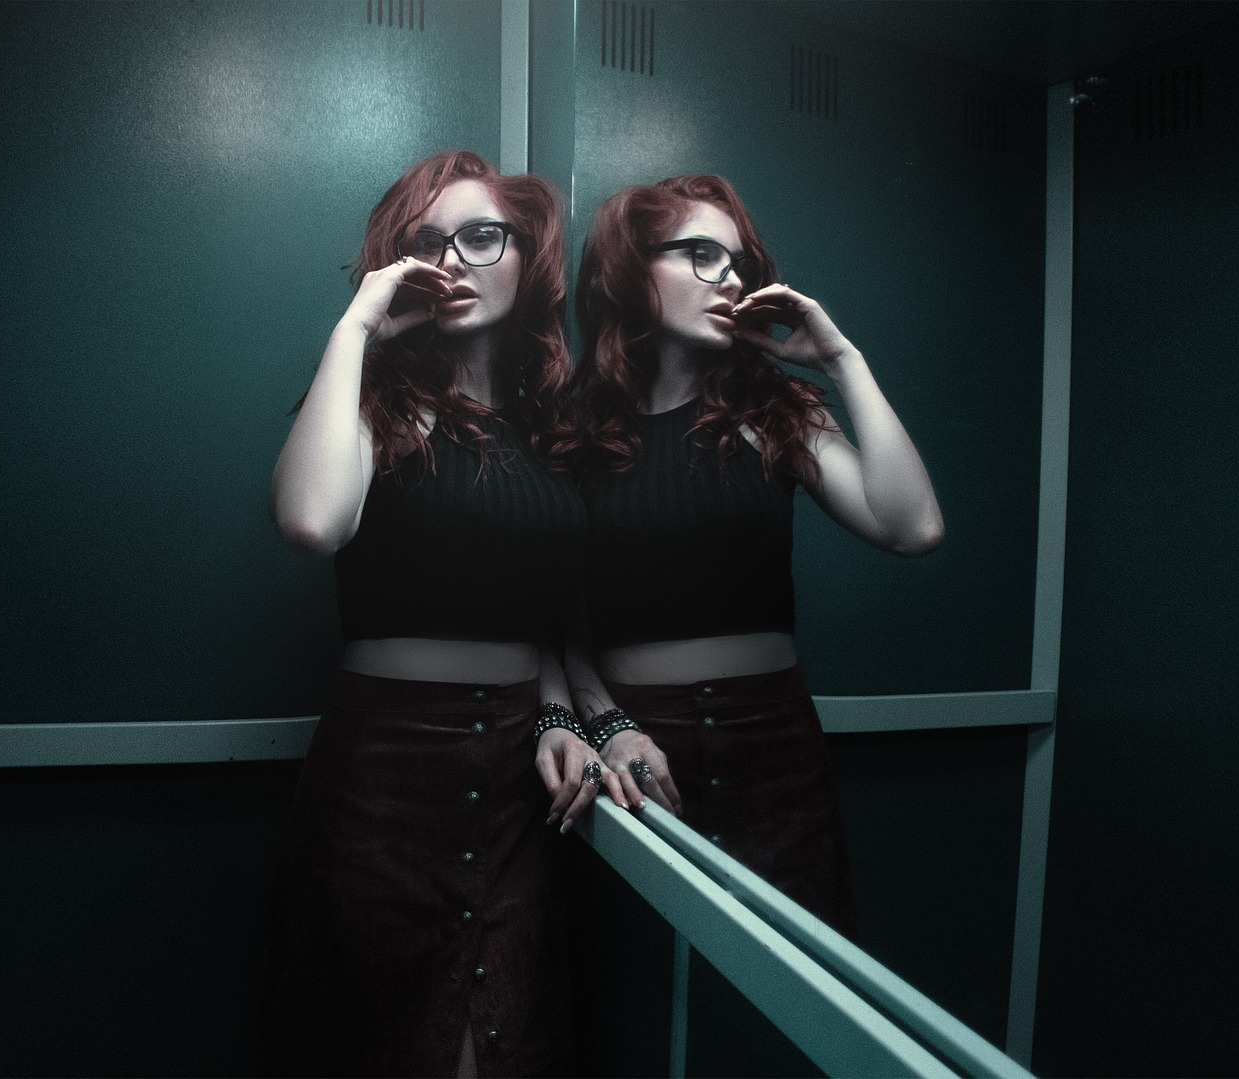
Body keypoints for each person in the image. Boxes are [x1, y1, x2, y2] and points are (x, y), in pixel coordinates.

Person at [268, 149, 622, 1078]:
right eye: (430, 241)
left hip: (516, 780)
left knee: (503, 1040)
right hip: (381, 777)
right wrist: (356, 331)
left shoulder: (551, 429)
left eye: (482, 234)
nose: (457, 256)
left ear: (525, 254)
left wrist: (561, 715)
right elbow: (311, 521)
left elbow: (547, 619)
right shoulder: (373, 399)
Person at [564, 173, 944, 933]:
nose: (729, 277)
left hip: (773, 741)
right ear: (632, 269)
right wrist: (607, 724)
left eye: (735, 261)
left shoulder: (771, 409)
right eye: (700, 254)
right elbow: (552, 618)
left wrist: (840, 359)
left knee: (789, 993)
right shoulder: (575, 429)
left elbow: (913, 528)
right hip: (637, 742)